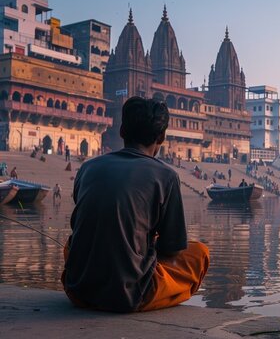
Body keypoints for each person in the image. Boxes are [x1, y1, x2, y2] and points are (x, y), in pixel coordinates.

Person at [61, 96, 209, 313]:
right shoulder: (166, 176)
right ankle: (155, 294)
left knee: (71, 245)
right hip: (128, 296)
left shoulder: (88, 168)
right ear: (162, 136)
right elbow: (172, 249)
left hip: (77, 291)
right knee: (200, 253)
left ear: (122, 131)